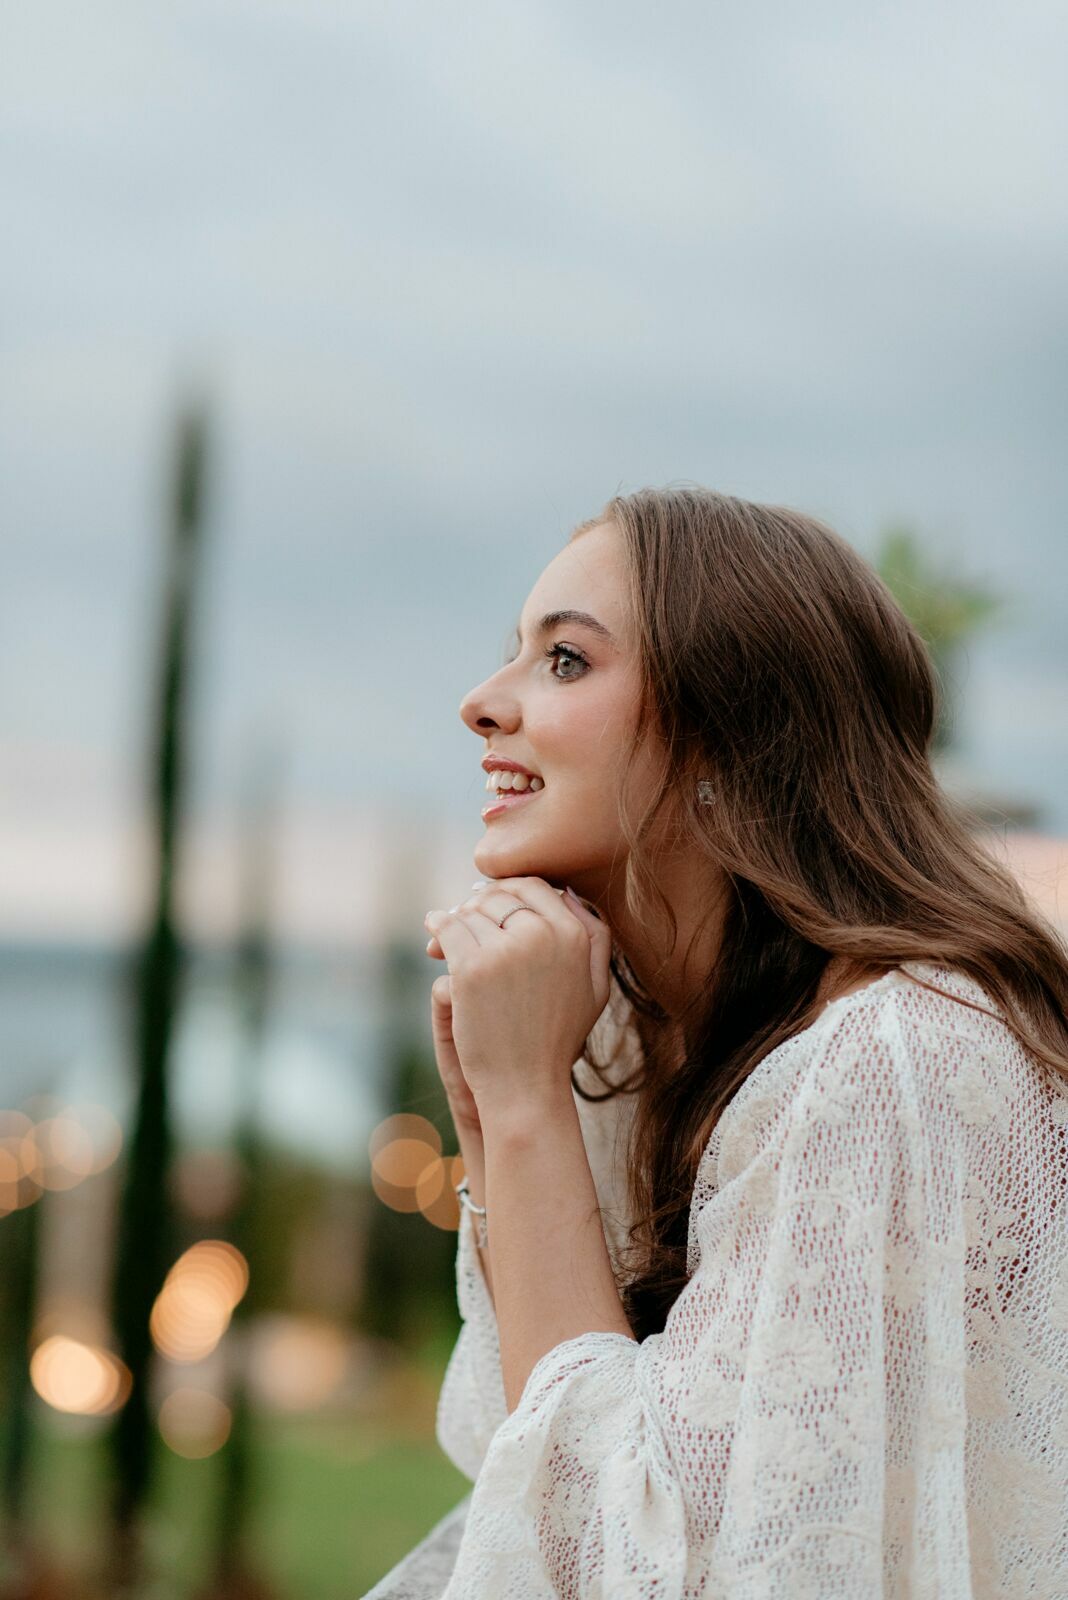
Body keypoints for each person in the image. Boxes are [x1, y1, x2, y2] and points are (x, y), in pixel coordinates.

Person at [372, 487, 1068, 1599]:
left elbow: (630, 1567)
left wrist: (523, 1110)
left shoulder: (893, 1061)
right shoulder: (656, 1051)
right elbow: (518, 1466)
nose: (480, 703)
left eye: (564, 662)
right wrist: (501, 1107)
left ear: (730, 735)